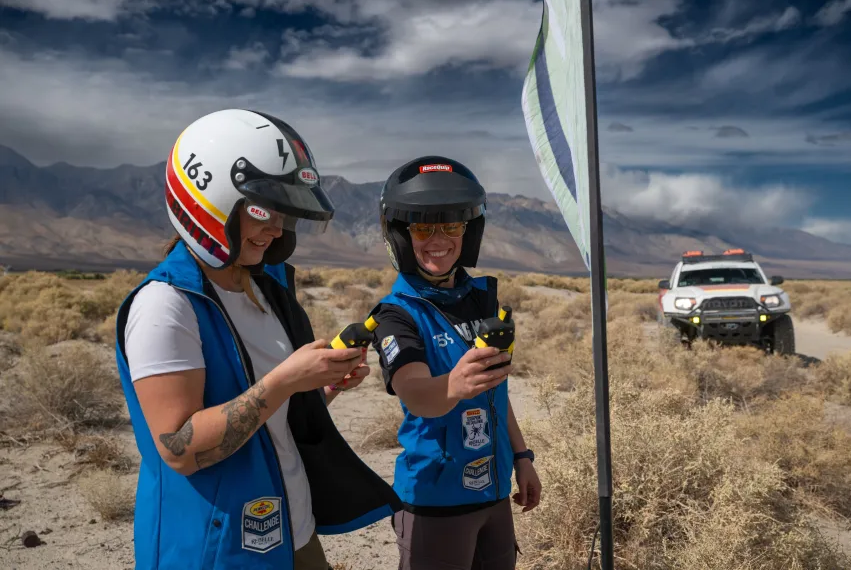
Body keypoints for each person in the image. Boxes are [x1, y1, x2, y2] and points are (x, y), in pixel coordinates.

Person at [114, 108, 401, 569]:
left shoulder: (263, 291)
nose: (276, 228)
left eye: (284, 214)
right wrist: (286, 380)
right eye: (264, 210)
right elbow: (179, 448)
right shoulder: (165, 306)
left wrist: (318, 386)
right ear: (211, 202)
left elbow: (264, 414)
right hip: (216, 545)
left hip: (287, 524)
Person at [368, 156, 542, 570]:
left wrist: (522, 458)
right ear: (401, 235)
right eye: (423, 228)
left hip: (494, 490)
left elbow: (496, 389)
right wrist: (452, 386)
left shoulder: (480, 299)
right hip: (436, 497)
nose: (438, 239)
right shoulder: (397, 314)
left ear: (469, 231)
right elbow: (414, 391)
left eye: (451, 226)